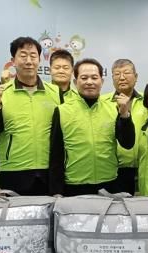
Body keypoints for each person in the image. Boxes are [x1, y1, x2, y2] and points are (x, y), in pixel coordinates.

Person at [0, 36, 62, 195]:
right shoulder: (1, 92)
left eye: (33, 56)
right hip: (14, 171)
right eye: (23, 55)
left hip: (48, 171)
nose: (29, 61)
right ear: (13, 61)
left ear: (39, 60)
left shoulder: (55, 92)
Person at [49, 58, 135, 196]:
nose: (89, 82)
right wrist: (56, 191)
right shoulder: (62, 110)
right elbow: (56, 156)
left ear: (102, 81)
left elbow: (128, 143)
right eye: (84, 78)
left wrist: (125, 115)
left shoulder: (114, 109)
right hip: (74, 185)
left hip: (109, 183)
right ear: (75, 82)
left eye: (94, 77)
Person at [102, 59, 148, 195]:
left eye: (126, 73)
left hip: (145, 167)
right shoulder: (102, 102)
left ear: (136, 76)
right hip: (115, 170)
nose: (122, 77)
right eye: (117, 74)